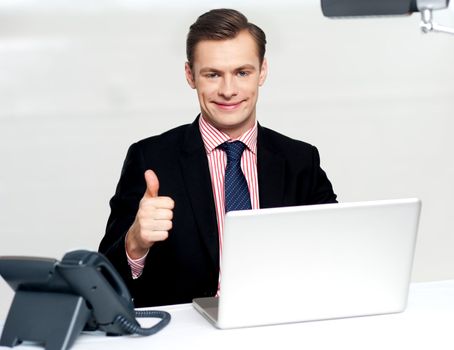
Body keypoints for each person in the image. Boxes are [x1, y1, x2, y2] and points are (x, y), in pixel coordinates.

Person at [99, 8, 337, 307]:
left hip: (278, 323)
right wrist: (135, 243)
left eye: (242, 72)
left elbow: (336, 253)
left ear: (262, 71)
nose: (228, 90)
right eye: (213, 74)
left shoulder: (300, 160)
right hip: (186, 335)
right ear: (190, 76)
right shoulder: (150, 158)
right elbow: (102, 282)